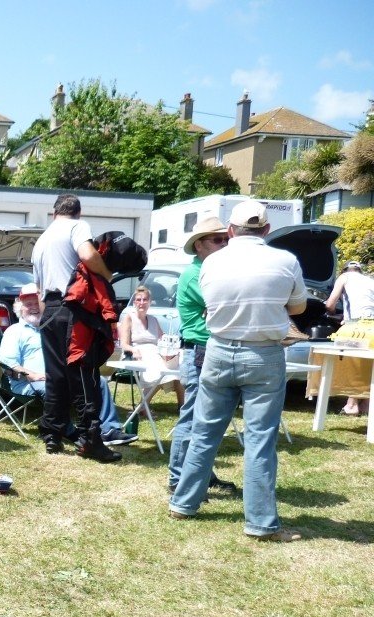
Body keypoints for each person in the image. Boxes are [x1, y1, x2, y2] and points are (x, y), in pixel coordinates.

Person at [168, 200, 308, 542]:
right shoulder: (285, 260)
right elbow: (299, 306)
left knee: (204, 432)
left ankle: (183, 502)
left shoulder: (212, 262)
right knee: (259, 440)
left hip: (216, 350)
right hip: (263, 353)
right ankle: (260, 522)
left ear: (230, 231)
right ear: (266, 230)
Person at [31, 193, 118, 462]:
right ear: (78, 213)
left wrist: (47, 317)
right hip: (74, 310)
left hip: (50, 310)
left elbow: (38, 288)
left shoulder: (42, 239)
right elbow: (87, 253)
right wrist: (107, 274)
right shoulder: (77, 227)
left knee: (56, 376)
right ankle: (89, 440)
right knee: (84, 373)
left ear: (53, 212)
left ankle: (52, 436)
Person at [0, 284, 137, 446]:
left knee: (98, 382)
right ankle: (71, 432)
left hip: (60, 376)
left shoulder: (52, 328)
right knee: (55, 388)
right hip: (28, 382)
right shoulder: (15, 331)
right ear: (20, 308)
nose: (34, 308)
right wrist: (35, 375)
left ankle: (110, 430)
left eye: (37, 303)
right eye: (29, 304)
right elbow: (8, 364)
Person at [167, 216, 237, 494]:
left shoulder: (212, 271)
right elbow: (223, 304)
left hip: (208, 348)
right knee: (193, 417)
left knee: (208, 419)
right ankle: (177, 480)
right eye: (217, 239)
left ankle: (201, 474)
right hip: (200, 350)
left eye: (226, 239)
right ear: (199, 245)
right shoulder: (196, 274)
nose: (224, 243)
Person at [118, 285, 185, 407]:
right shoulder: (129, 318)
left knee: (179, 361)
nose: (142, 303)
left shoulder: (153, 319)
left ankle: (182, 405)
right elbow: (124, 344)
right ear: (134, 302)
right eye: (138, 300)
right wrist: (133, 350)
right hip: (138, 352)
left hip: (156, 352)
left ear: (150, 302)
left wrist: (172, 347)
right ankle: (143, 405)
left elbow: (162, 338)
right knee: (164, 369)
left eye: (145, 300)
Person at [324, 260, 374, 415]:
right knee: (368, 366)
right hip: (372, 327)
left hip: (355, 329)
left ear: (344, 270)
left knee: (351, 365)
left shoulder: (344, 277)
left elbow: (330, 304)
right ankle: (366, 404)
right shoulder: (370, 281)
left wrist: (330, 313)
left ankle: (351, 405)